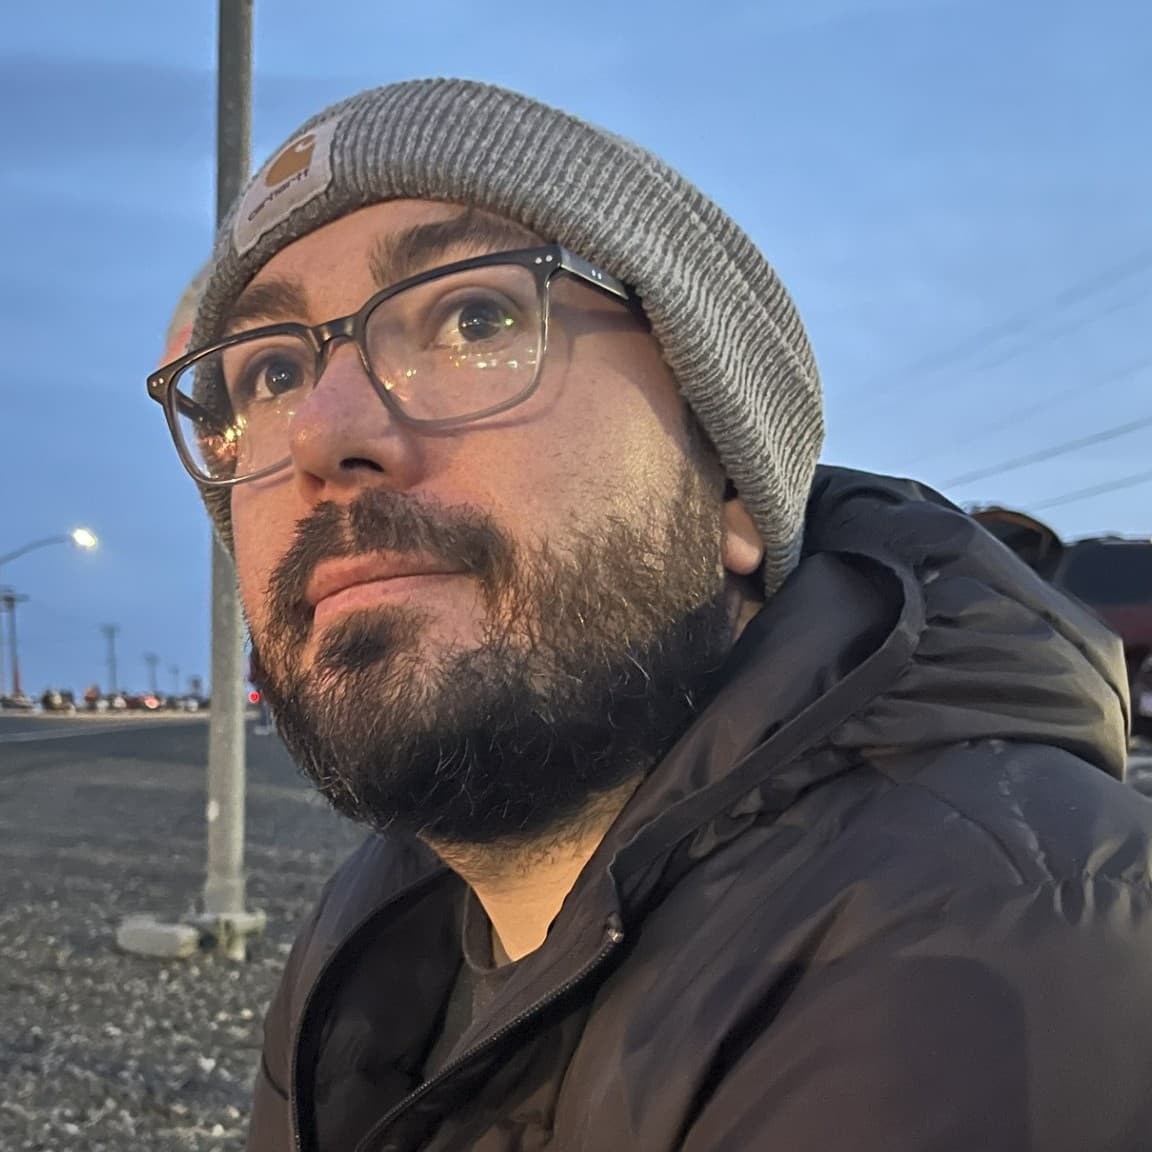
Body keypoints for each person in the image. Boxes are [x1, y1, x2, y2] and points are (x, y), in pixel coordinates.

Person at [148, 79, 1152, 1152]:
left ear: (730, 490)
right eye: (269, 375)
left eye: (475, 318)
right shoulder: (382, 922)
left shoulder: (993, 953)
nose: (320, 432)